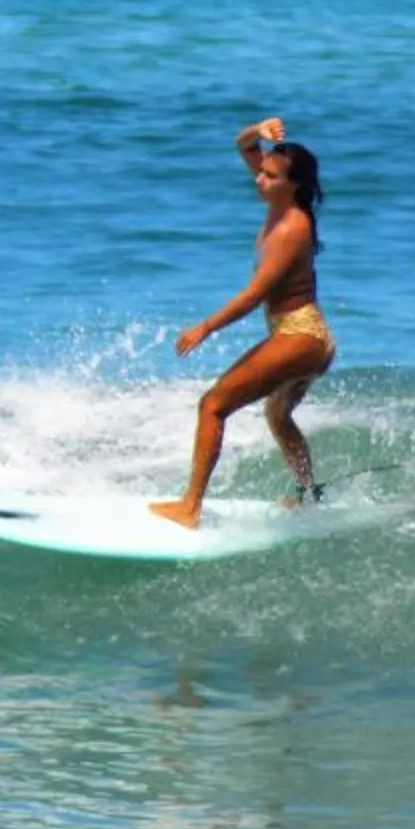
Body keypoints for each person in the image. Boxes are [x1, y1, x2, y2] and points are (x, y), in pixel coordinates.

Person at [149, 117, 333, 532]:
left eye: (269, 176)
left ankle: (190, 507)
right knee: (278, 416)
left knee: (213, 405)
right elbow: (243, 146)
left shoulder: (291, 229)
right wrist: (258, 132)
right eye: (261, 172)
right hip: (308, 336)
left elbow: (254, 296)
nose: (259, 181)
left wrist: (205, 328)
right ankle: (309, 496)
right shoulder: (281, 201)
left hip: (299, 335)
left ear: (294, 184)